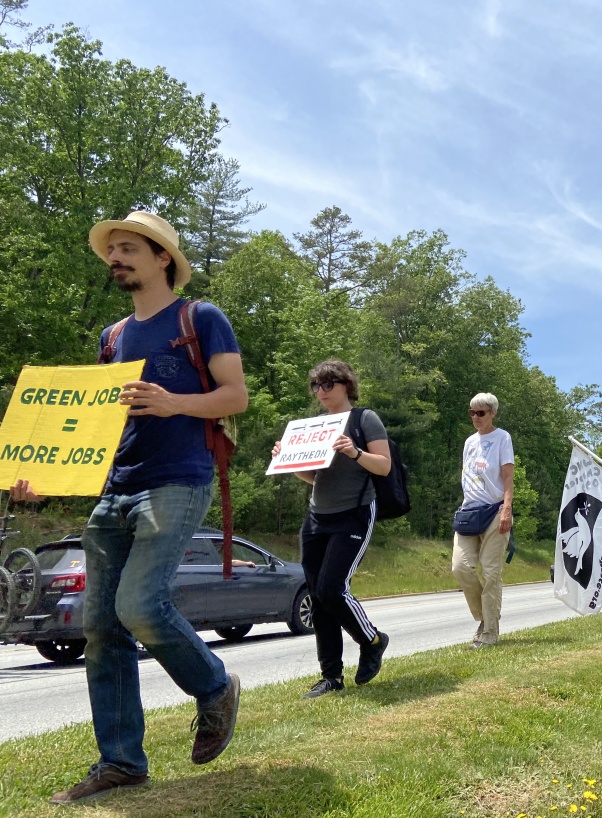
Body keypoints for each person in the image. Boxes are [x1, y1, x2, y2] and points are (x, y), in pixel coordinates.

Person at [10, 211, 248, 804]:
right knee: (102, 628)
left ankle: (215, 685)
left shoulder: (200, 319)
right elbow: (92, 425)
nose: (114, 258)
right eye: (110, 250)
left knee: (140, 604)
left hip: (177, 480)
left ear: (162, 257)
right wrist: (39, 473)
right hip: (115, 486)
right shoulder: (112, 339)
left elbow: (234, 396)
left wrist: (173, 403)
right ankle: (120, 761)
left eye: (127, 248)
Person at [273, 360, 392, 698]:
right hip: (316, 517)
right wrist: (288, 461)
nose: (321, 392)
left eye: (328, 385)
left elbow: (383, 467)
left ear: (345, 385)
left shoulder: (364, 419)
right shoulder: (315, 426)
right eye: (316, 386)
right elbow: (314, 477)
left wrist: (354, 452)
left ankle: (372, 640)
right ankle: (331, 676)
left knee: (331, 589)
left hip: (353, 514)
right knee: (318, 595)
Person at [452, 392, 514, 648]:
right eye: (472, 413)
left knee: (490, 574)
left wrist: (507, 509)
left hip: (495, 511)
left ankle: (489, 633)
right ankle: (484, 618)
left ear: (493, 413)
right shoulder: (469, 442)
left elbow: (508, 477)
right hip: (469, 513)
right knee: (460, 567)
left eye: (481, 413)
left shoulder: (502, 438)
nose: (476, 417)